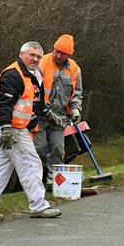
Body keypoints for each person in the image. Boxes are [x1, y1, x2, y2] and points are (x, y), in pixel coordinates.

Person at [0, 41, 62, 221]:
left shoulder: (35, 75)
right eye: (32, 55)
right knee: (31, 164)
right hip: (12, 130)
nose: (35, 59)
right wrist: (6, 129)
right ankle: (38, 206)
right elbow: (4, 104)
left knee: (1, 168)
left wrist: (48, 113)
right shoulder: (13, 75)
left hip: (15, 129)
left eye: (38, 56)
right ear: (22, 55)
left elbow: (36, 102)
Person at [34, 34, 83, 178]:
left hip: (60, 118)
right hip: (40, 116)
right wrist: (44, 110)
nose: (58, 55)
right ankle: (37, 180)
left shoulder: (75, 69)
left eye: (63, 53)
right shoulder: (41, 63)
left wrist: (75, 109)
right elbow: (34, 91)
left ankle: (54, 180)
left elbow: (77, 93)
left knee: (57, 148)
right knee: (39, 149)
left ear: (69, 55)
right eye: (56, 51)